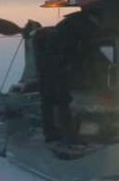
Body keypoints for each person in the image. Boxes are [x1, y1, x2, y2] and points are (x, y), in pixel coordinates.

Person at [35, 9, 102, 142]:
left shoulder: (70, 24)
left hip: (51, 64)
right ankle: (65, 134)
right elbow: (82, 51)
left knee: (50, 100)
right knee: (61, 100)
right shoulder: (84, 27)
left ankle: (53, 132)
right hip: (57, 66)